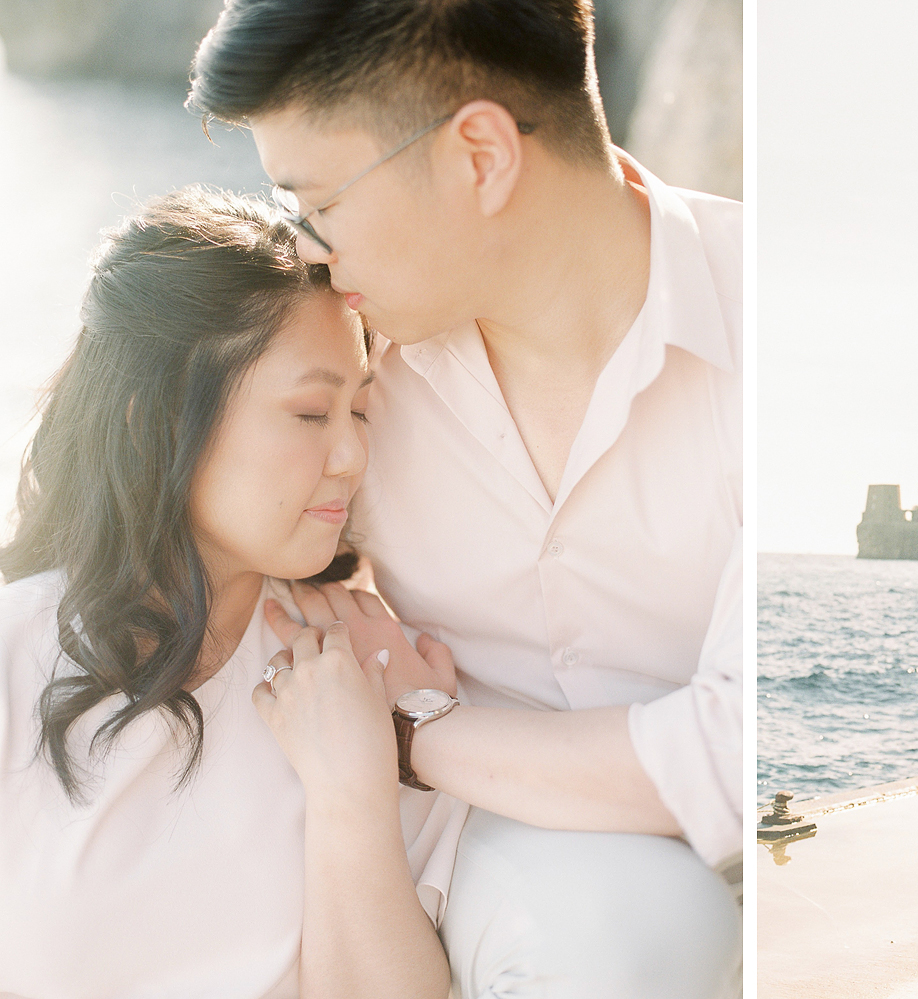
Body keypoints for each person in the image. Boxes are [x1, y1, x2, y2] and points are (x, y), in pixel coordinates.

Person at [187, 2, 742, 996]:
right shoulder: (350, 371)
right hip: (499, 862)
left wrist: (409, 732)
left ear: (479, 154)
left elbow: (739, 752)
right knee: (629, 932)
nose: (307, 249)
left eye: (317, 201)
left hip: (757, 853)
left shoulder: (771, 319)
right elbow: (180, 528)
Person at [0, 189, 465, 998]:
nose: (353, 453)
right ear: (158, 420)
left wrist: (351, 791)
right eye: (311, 412)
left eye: (359, 409)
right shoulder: (16, 655)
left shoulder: (372, 670)